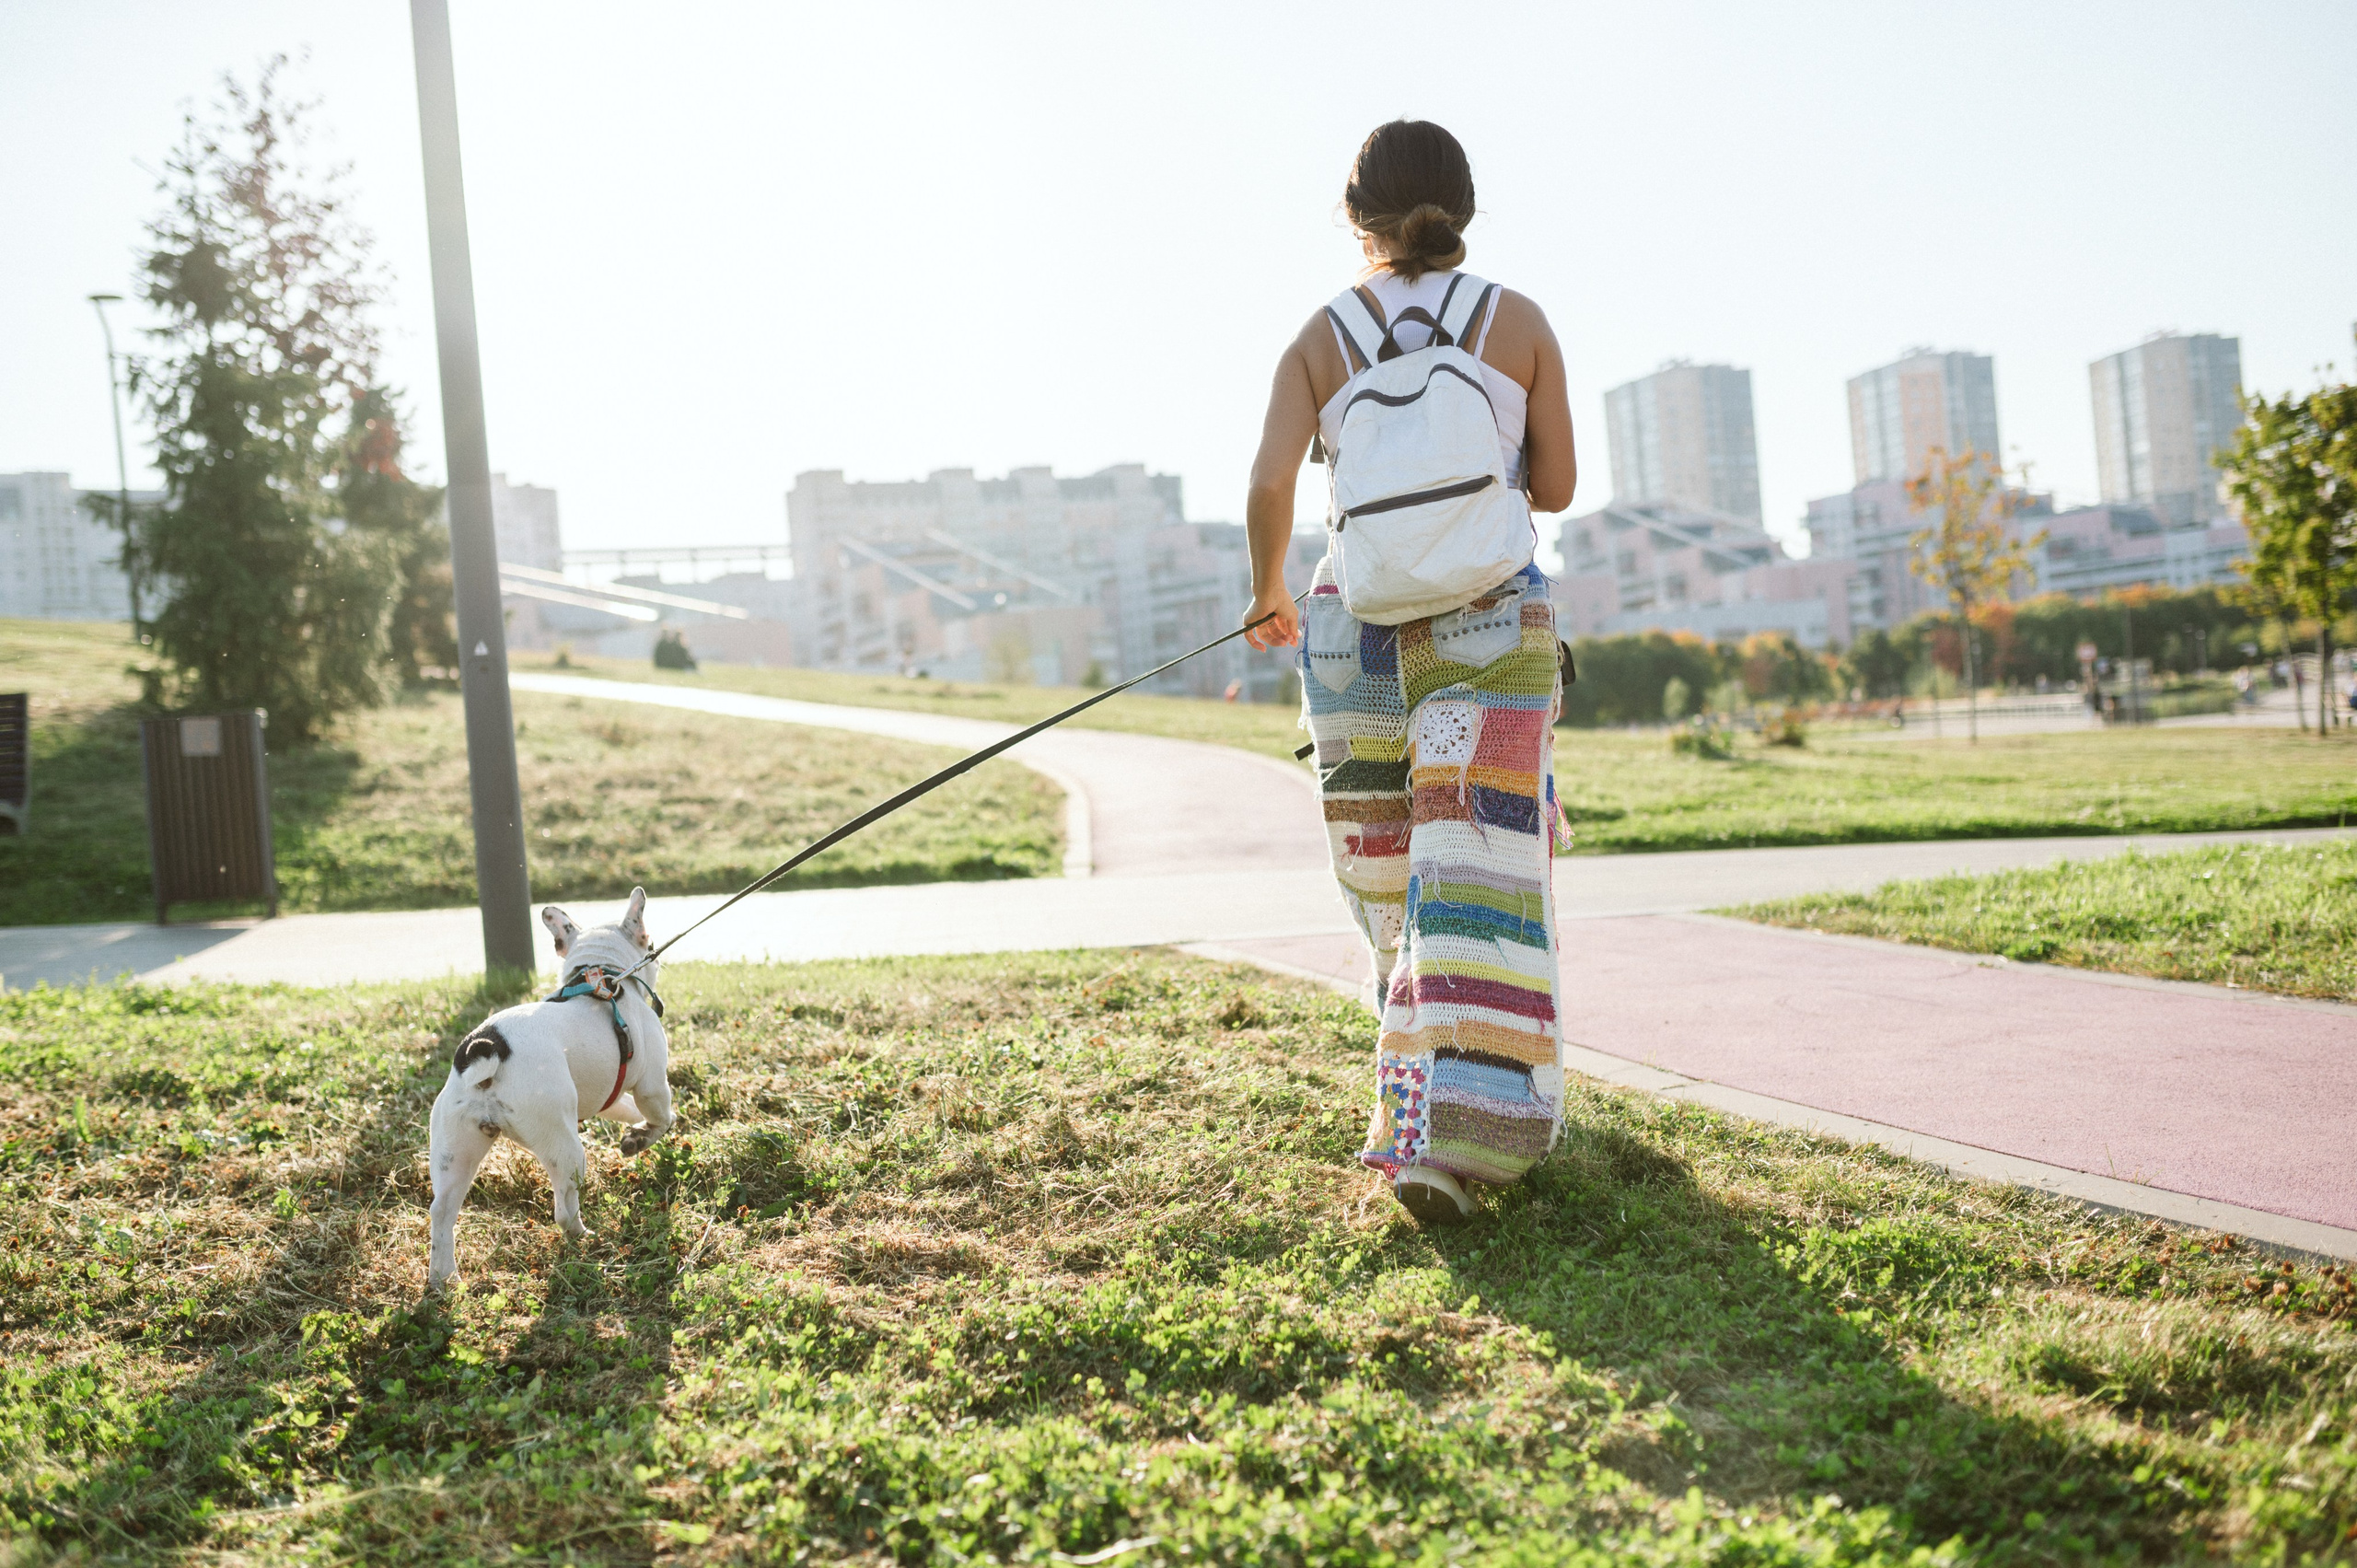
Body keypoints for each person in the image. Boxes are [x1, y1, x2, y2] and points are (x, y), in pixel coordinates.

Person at [1239, 120, 1577, 1225]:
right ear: (1464, 208)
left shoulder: (1318, 337)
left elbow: (1267, 485)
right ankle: (1467, 1136)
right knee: (1472, 860)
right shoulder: (1515, 319)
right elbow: (1561, 486)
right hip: (1488, 614)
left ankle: (1409, 1102)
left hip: (1352, 619)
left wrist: (1267, 593)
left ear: (1355, 217)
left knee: (1388, 869)